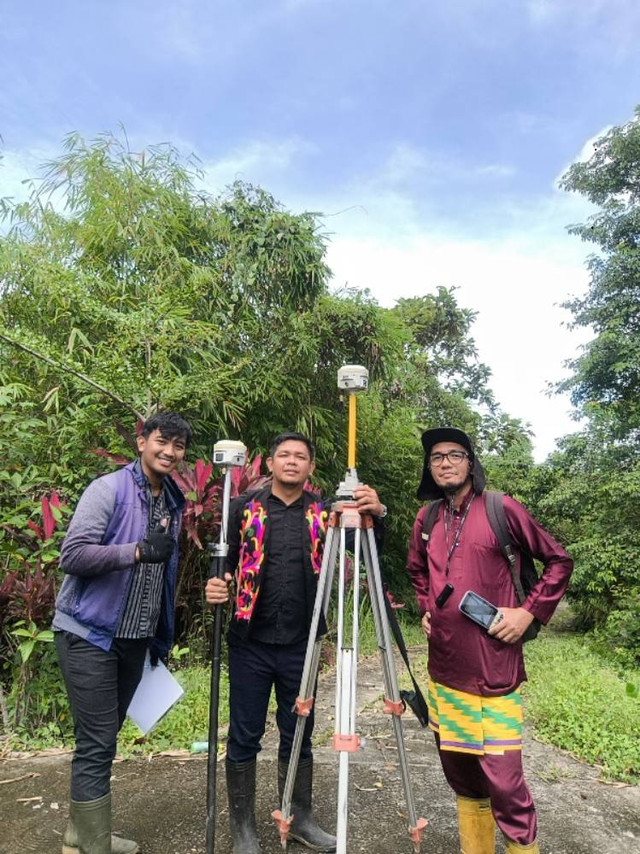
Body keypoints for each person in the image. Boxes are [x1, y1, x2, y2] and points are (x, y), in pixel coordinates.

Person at [205, 431, 385, 854]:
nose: (291, 461)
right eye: (283, 455)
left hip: (302, 646)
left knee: (299, 733)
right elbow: (221, 566)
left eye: (300, 456)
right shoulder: (242, 508)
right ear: (269, 464)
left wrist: (379, 512)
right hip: (249, 642)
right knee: (244, 735)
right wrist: (216, 586)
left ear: (310, 468)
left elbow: (369, 547)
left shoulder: (327, 514)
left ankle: (300, 817)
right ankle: (244, 829)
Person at [406, 427, 573, 854]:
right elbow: (417, 571)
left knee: (506, 786)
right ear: (430, 468)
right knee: (462, 778)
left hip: (494, 672)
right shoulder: (426, 520)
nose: (445, 462)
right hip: (444, 673)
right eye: (436, 457)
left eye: (454, 455)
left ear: (471, 462)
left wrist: (528, 612)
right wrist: (428, 606)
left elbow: (558, 560)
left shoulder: (502, 509)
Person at [53, 411, 192, 854]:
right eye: (161, 441)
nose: (169, 452)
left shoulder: (173, 502)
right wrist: (134, 551)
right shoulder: (108, 489)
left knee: (105, 739)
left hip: (135, 639)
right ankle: (91, 843)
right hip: (89, 633)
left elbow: (163, 576)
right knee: (95, 741)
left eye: (179, 446)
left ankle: (83, 832)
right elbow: (72, 555)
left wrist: (160, 639)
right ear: (141, 442)